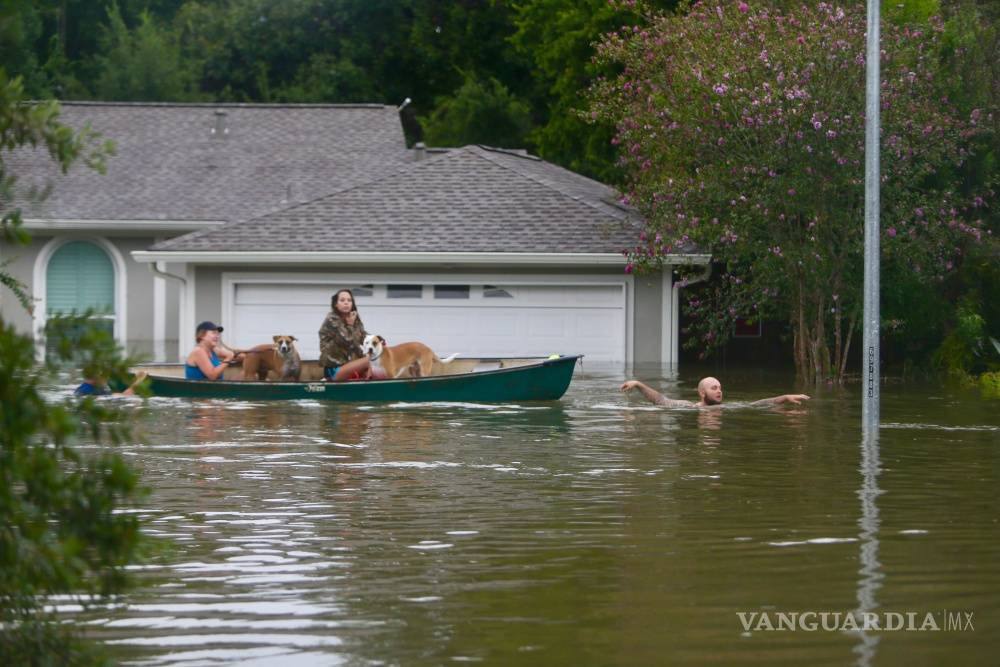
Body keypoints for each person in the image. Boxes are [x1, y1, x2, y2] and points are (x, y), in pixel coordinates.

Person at [619, 376, 810, 407]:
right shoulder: (689, 407)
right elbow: (661, 400)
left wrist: (785, 397)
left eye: (720, 388)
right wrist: (638, 384)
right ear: (702, 393)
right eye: (714, 388)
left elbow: (758, 404)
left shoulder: (725, 408)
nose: (719, 391)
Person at [318, 289, 370, 381]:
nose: (346, 303)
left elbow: (362, 337)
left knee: (376, 362)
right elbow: (347, 340)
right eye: (342, 300)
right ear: (336, 304)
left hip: (349, 365)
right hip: (334, 369)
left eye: (349, 300)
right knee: (370, 360)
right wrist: (350, 325)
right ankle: (328, 380)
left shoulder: (354, 318)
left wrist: (377, 340)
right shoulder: (332, 319)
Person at [75, 371, 148, 397]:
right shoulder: (96, 391)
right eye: (104, 377)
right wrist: (139, 380)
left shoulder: (81, 389)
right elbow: (125, 395)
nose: (106, 380)